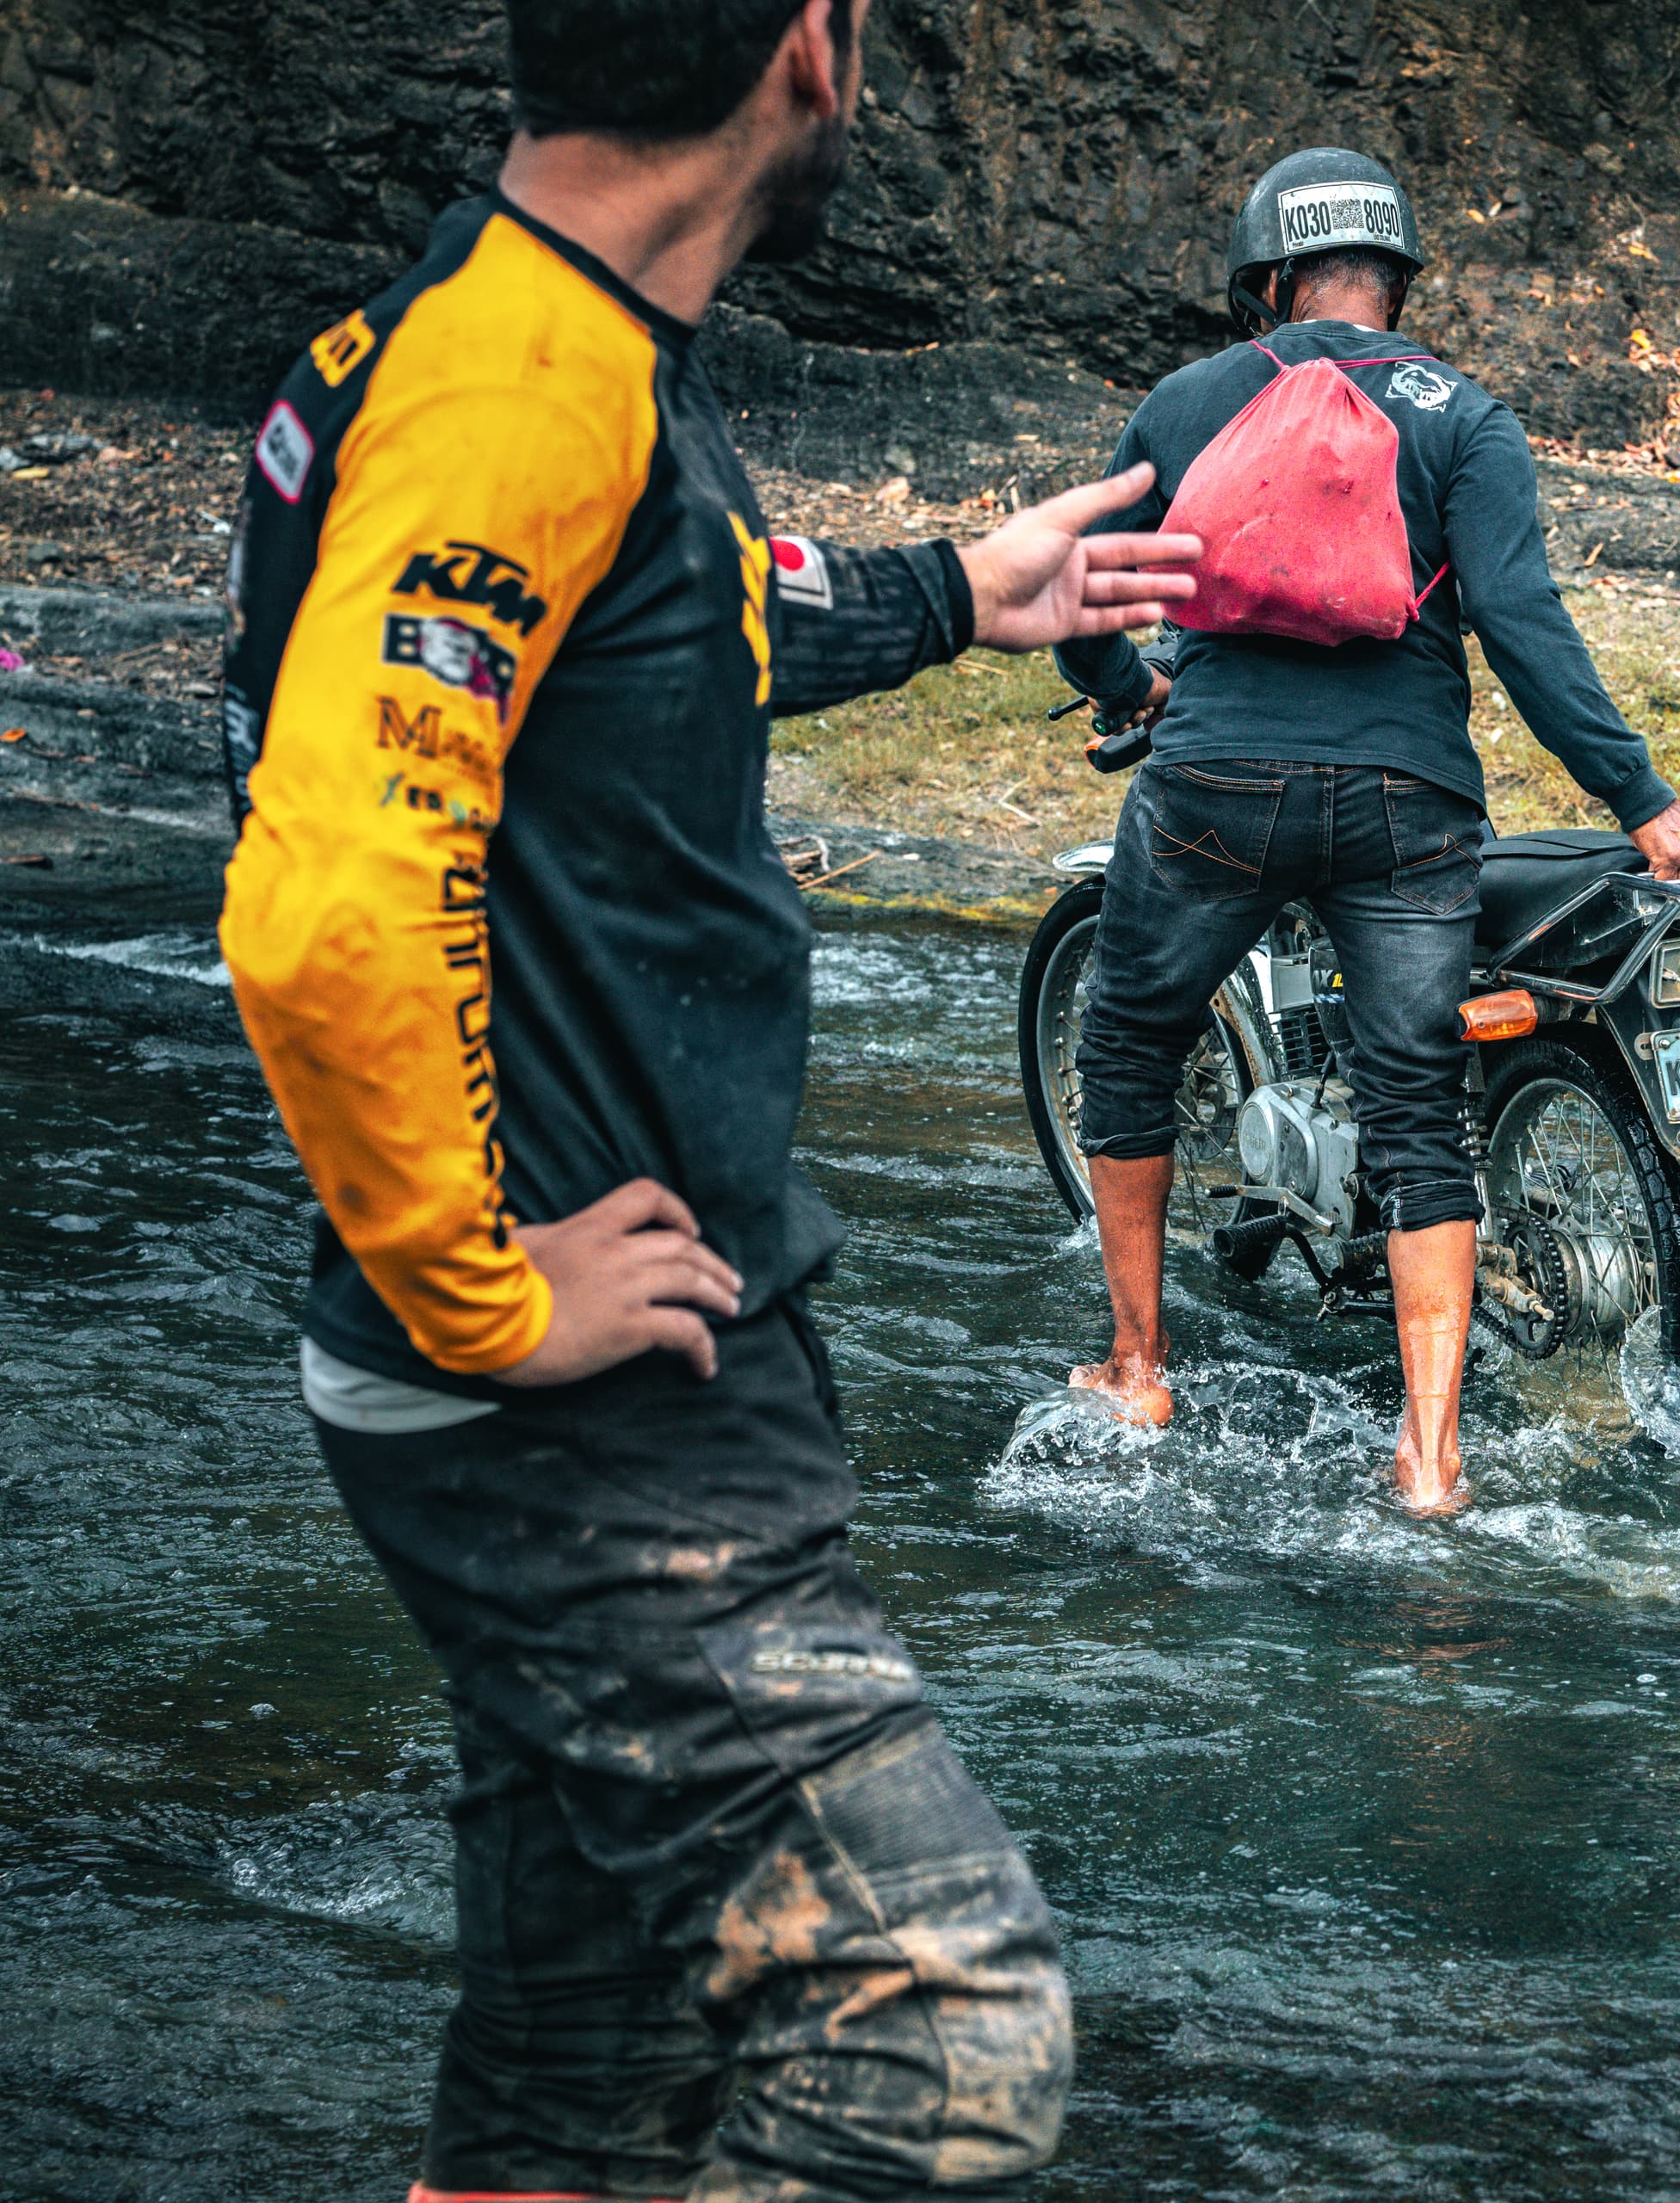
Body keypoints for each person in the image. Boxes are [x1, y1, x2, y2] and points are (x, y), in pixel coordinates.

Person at [213, 1, 1199, 2194]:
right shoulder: (515, 385)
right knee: (937, 2017)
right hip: (577, 1408)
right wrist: (481, 1290)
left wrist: (957, 592)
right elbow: (330, 900)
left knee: (577, 2081)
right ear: (807, 53)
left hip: (610, 1354)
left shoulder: (519, 343)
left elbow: (676, 610)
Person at [1055, 148, 1680, 1513]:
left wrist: (1134, 689)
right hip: (1407, 806)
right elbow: (1524, 627)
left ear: (1267, 282)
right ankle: (1429, 1455)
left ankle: (1136, 1366)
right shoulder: (1466, 417)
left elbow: (1087, 604)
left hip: (1216, 789)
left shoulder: (1185, 403)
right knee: (1418, 1102)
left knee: (1129, 1040)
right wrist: (1643, 799)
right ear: (1395, 281)